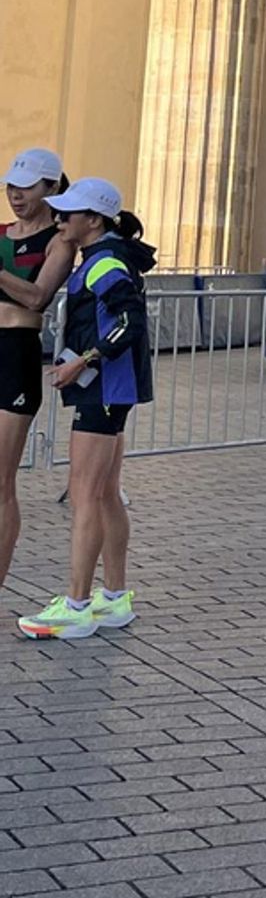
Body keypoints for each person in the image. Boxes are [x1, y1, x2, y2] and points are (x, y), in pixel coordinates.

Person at [18, 179, 155, 641]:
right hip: (110, 391)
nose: (58, 220)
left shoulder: (104, 264)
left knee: (85, 494)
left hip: (104, 390)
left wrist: (84, 360)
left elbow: (130, 323)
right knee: (105, 492)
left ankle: (77, 604)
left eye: (67, 214)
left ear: (92, 221)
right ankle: (114, 596)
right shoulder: (101, 259)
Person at [0, 151, 74, 596]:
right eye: (10, 186)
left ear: (50, 188)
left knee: (2, 480)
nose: (15, 195)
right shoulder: (1, 234)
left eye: (25, 187)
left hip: (16, 353)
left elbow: (37, 296)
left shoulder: (59, 239)